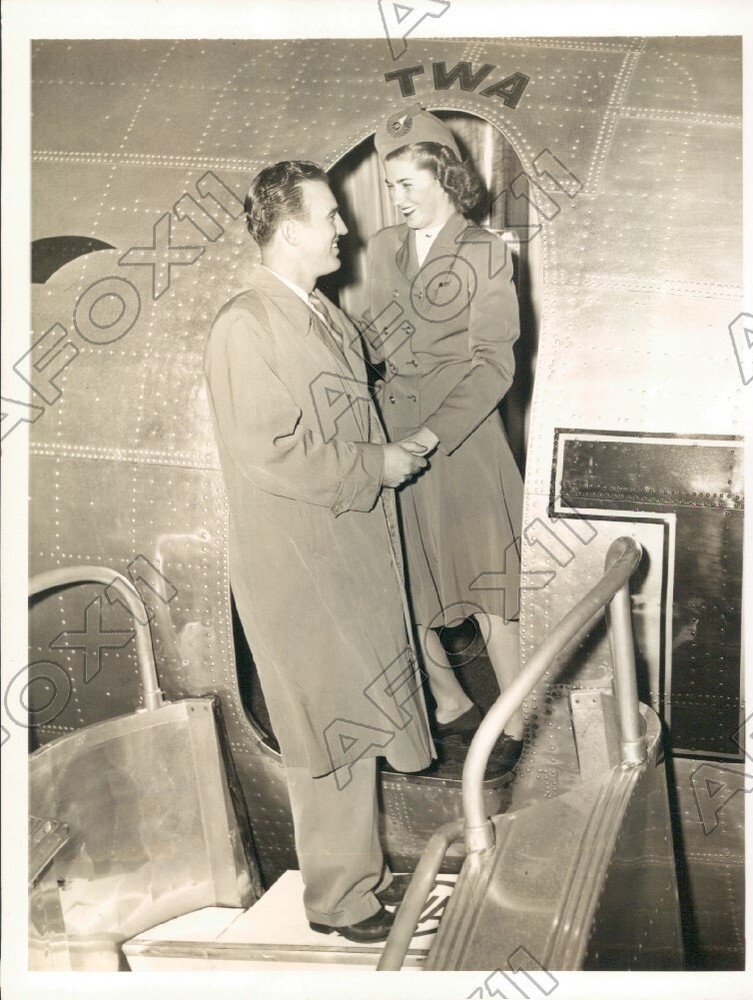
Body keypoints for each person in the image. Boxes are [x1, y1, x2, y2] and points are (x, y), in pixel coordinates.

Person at [203, 160, 434, 943]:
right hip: (298, 565)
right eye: (330, 215)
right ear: (290, 226)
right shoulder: (248, 322)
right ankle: (338, 901)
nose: (344, 228)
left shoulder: (321, 314)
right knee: (325, 729)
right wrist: (377, 465)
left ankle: (359, 881)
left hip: (343, 548)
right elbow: (269, 452)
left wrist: (394, 448)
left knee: (356, 719)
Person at [361, 106, 526, 767]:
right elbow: (374, 342)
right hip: (392, 433)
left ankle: (516, 725)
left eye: (408, 184)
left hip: (461, 441)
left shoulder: (483, 252)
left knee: (490, 592)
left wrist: (431, 435)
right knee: (406, 582)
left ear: (445, 178)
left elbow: (495, 362)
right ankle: (448, 702)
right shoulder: (380, 249)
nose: (396, 198)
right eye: (390, 184)